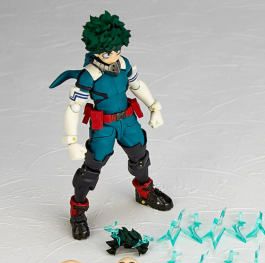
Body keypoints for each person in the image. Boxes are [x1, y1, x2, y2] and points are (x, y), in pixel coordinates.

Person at [50, 11, 173, 240]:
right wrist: (71, 141)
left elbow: (137, 86)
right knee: (91, 169)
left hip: (127, 120)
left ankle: (144, 191)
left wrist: (154, 107)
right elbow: (74, 108)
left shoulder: (124, 64)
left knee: (140, 156)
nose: (114, 55)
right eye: (108, 52)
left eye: (117, 49)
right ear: (96, 50)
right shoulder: (89, 75)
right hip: (103, 126)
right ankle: (78, 210)